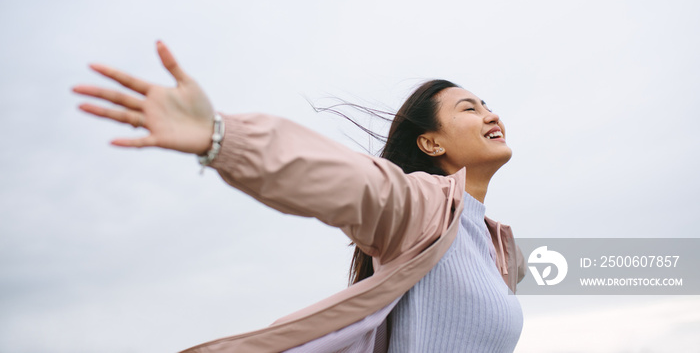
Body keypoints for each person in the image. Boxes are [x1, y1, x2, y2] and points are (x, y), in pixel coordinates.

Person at [74, 41, 526, 352]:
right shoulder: (424, 210)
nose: (491, 114)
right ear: (431, 143)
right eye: (470, 108)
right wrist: (220, 137)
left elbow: (586, 267)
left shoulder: (498, 249)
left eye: (487, 104)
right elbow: (349, 181)